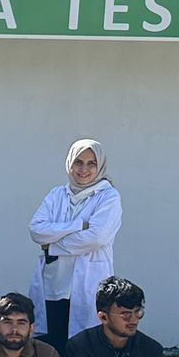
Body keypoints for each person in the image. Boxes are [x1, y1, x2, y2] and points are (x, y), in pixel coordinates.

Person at [30, 138, 121, 342]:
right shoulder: (57, 195)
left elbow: (96, 238)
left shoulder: (108, 197)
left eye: (91, 163)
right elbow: (36, 230)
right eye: (78, 162)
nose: (84, 169)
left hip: (89, 282)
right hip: (55, 283)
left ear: (100, 166)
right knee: (53, 343)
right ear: (69, 163)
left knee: (85, 344)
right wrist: (78, 225)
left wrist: (53, 246)